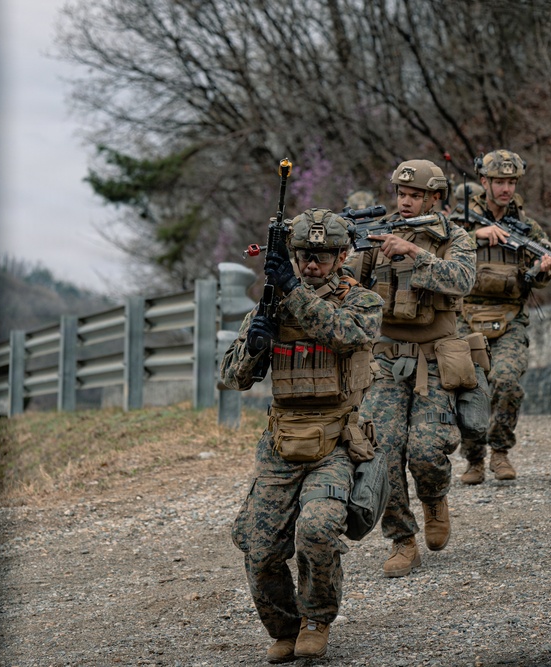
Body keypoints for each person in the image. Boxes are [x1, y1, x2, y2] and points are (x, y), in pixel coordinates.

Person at [221, 208, 383, 662]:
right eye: (304, 255)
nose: (312, 265)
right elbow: (233, 377)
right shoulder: (270, 304)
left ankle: (316, 619)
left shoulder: (362, 301)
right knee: (258, 544)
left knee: (317, 527)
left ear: (343, 254)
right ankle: (284, 627)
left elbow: (347, 334)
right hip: (281, 442)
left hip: (336, 440)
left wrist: (292, 292)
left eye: (324, 256)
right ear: (292, 253)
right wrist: (254, 347)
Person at [343, 159, 476, 578]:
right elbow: (345, 286)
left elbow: (463, 280)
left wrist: (416, 254)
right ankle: (402, 540)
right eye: (401, 193)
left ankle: (434, 497)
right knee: (380, 449)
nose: (405, 200)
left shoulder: (455, 237)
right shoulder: (378, 235)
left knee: (425, 449)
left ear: (435, 197)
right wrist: (341, 261)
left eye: (415, 194)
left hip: (437, 358)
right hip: (384, 360)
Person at [453, 149, 551, 484]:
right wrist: (475, 237)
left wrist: (545, 269)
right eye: (499, 181)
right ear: (484, 181)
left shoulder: (526, 225)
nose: (506, 188)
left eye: (511, 181)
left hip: (510, 318)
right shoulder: (463, 219)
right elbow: (438, 252)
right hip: (467, 317)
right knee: (470, 389)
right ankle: (473, 459)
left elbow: (540, 271)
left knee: (507, 381)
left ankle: (499, 451)